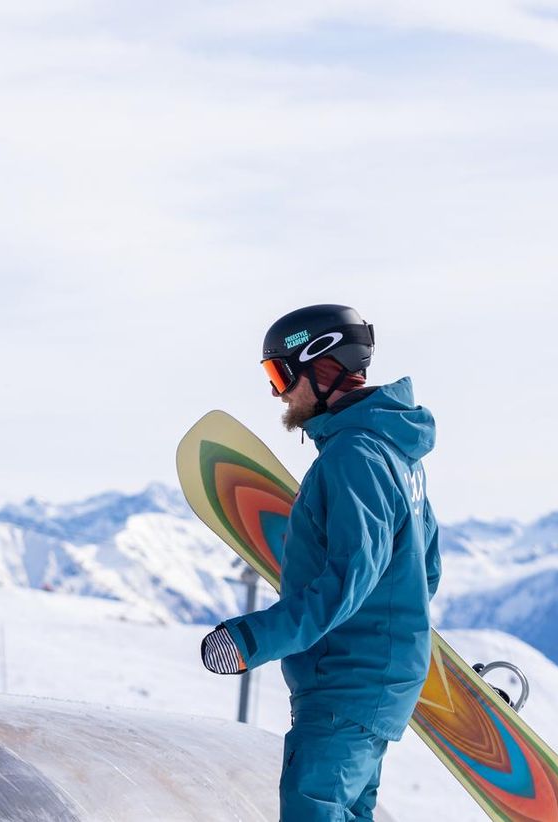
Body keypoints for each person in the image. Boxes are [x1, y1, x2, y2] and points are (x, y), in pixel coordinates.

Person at [199, 305, 440, 822]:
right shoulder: (396, 454)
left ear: (321, 365)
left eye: (280, 374)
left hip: (344, 686)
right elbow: (428, 567)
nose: (277, 393)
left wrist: (252, 639)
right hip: (365, 685)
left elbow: (347, 579)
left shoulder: (354, 456)